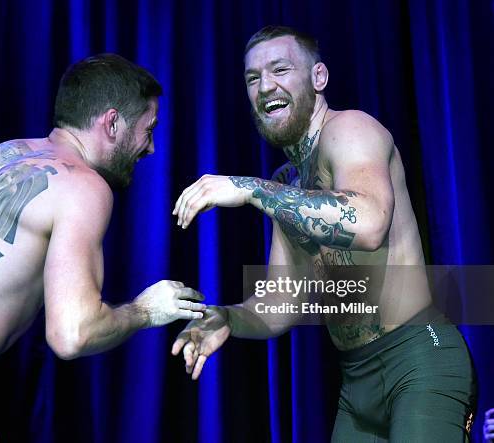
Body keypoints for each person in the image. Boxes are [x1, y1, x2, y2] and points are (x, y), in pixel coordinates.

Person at [171, 26, 476, 442]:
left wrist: (252, 189)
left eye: (280, 69)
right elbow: (282, 303)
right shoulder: (288, 183)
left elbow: (368, 224)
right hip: (356, 383)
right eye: (253, 78)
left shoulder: (350, 129)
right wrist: (228, 318)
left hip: (419, 359)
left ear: (318, 78)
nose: (265, 87)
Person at [0, 54, 206, 442]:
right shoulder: (81, 184)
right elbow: (73, 334)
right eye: (148, 129)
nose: (151, 148)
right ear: (112, 122)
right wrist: (146, 310)